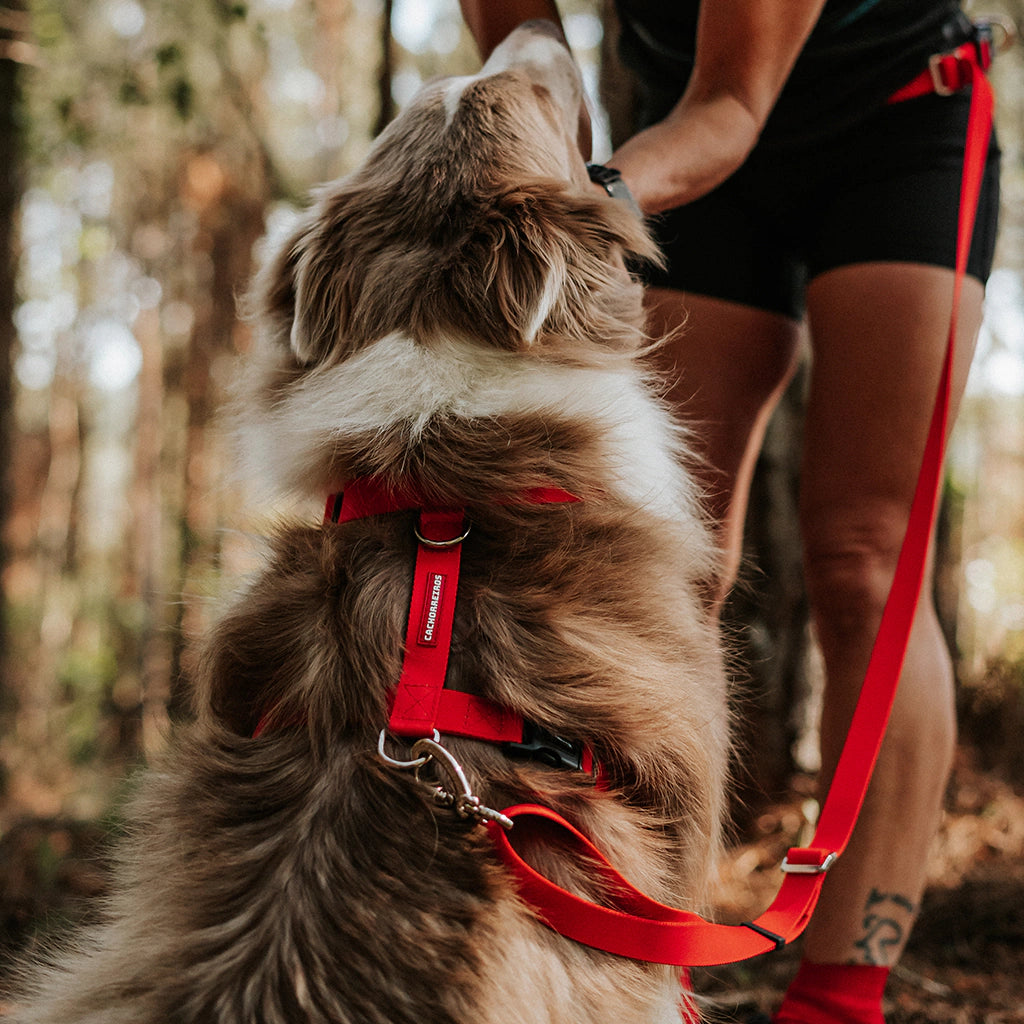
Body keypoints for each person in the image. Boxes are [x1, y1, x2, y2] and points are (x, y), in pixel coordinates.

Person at [458, 2, 1001, 1023]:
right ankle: (644, 962)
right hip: (683, 128)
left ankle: (840, 991)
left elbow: (734, 105)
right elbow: (529, 72)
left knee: (861, 558)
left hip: (895, 127)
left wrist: (586, 202)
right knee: (666, 565)